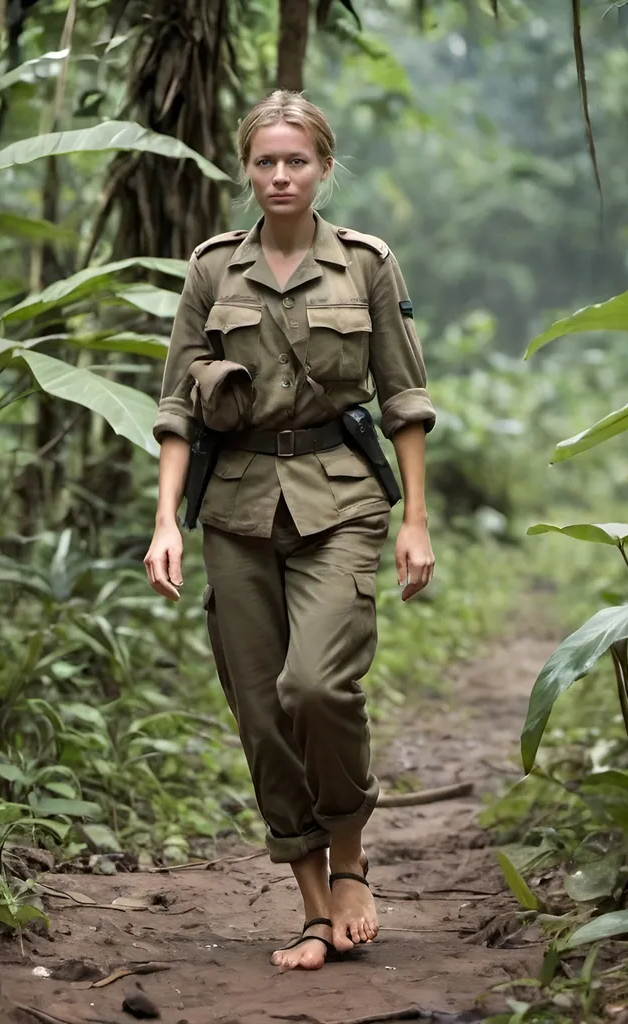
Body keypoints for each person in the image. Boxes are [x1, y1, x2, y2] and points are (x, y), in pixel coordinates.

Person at [143, 90, 436, 972]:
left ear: (324, 168)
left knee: (315, 687)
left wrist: (415, 520)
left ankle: (350, 859)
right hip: (233, 508)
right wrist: (165, 519)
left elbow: (405, 400)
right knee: (262, 713)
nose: (280, 176)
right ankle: (313, 908)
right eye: (266, 161)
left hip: (342, 500)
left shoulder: (367, 266)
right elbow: (175, 408)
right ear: (246, 168)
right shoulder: (211, 272)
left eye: (297, 161)